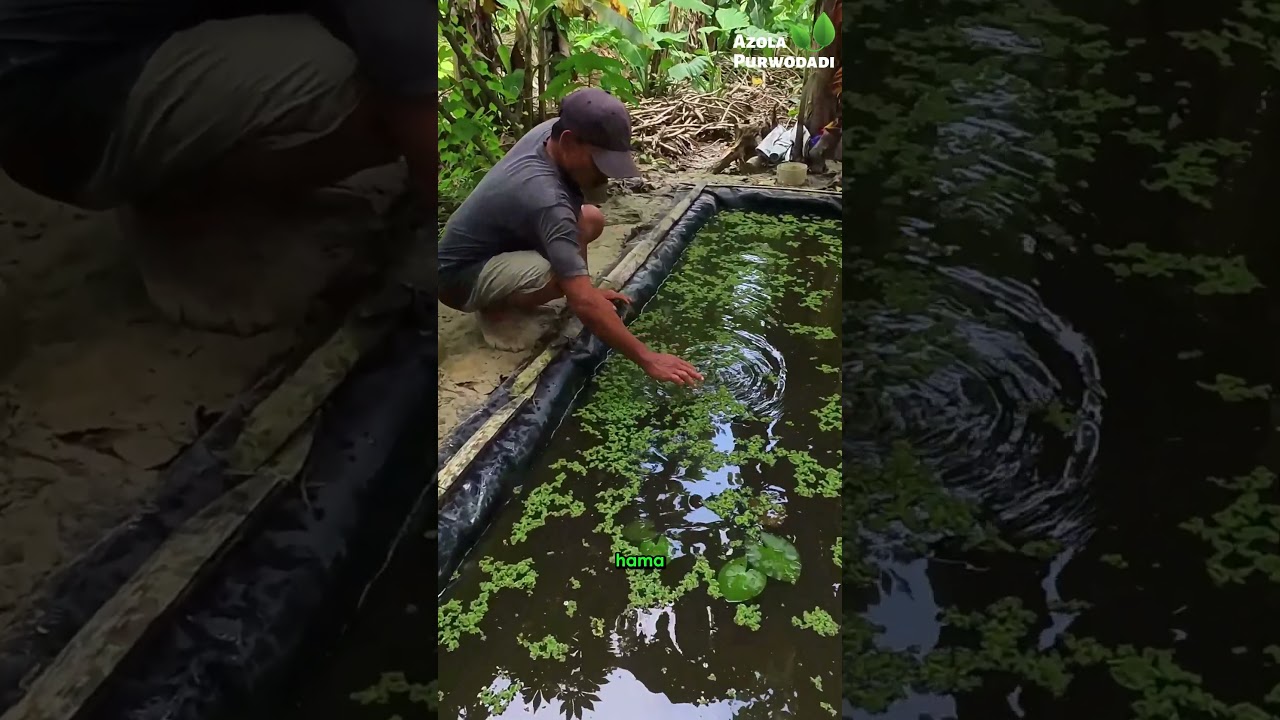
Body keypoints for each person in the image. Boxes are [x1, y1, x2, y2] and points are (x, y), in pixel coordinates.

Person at [0, 0, 433, 334]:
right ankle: (183, 218)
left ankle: (200, 175)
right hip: (48, 100)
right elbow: (416, 85)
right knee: (377, 87)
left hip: (103, 43)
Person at [438, 88, 703, 386]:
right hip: (458, 278)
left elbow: (576, 231)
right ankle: (496, 311)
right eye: (600, 165)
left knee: (590, 220)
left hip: (497, 243)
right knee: (559, 279)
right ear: (568, 143)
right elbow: (581, 301)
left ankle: (512, 292)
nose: (606, 177)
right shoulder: (546, 198)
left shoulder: (551, 134)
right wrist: (648, 358)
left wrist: (587, 289)